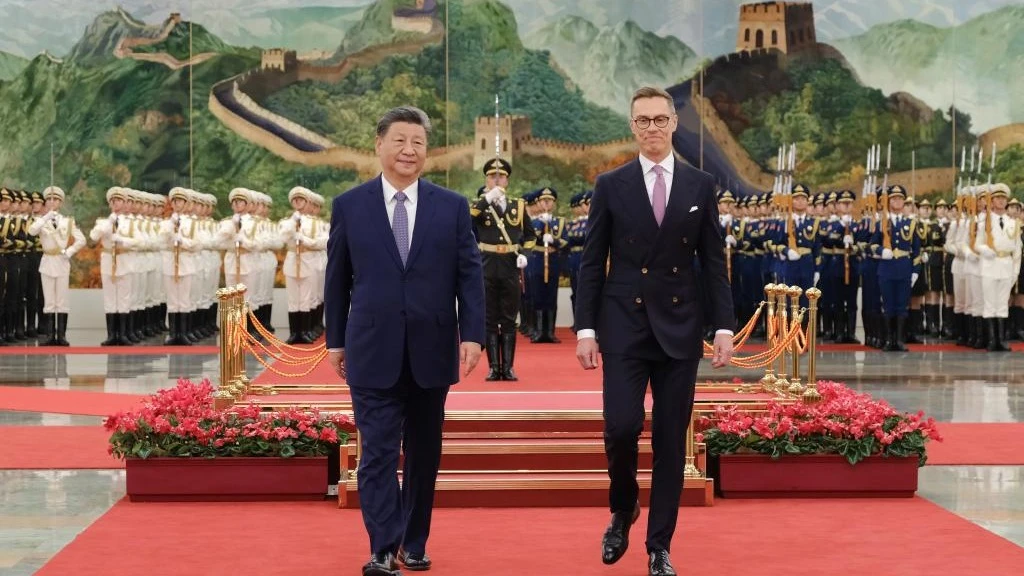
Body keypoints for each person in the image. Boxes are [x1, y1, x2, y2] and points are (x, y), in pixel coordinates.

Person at [574, 86, 734, 576]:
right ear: (632, 126)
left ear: (672, 124)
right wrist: (584, 328)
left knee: (669, 438)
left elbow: (712, 262)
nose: (651, 128)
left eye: (659, 119)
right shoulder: (611, 184)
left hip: (680, 327)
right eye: (641, 120)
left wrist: (724, 324)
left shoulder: (700, 184)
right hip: (623, 324)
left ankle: (659, 545)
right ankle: (623, 509)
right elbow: (590, 261)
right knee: (621, 428)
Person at [324, 106, 485, 576]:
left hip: (431, 349)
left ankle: (413, 543)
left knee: (423, 454)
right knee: (375, 451)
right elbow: (337, 279)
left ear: (426, 151)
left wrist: (472, 334)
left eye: (417, 142)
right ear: (379, 145)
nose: (408, 150)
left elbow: (468, 275)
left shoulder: (451, 206)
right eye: (399, 140)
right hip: (371, 347)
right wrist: (335, 340)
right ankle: (382, 546)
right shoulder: (350, 206)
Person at [470, 157, 535, 381]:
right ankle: (493, 367)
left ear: (507, 180)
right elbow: (467, 222)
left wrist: (525, 255)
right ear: (486, 180)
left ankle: (508, 367)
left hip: (509, 265)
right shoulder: (478, 205)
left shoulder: (518, 205)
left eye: (501, 176)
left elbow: (530, 235)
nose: (496, 179)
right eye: (492, 176)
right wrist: (486, 200)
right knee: (489, 318)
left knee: (508, 318)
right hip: (486, 265)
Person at [27, 186, 86, 346]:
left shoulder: (68, 221)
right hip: (47, 261)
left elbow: (81, 239)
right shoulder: (41, 221)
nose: (52, 202)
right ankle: (49, 335)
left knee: (62, 300)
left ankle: (61, 335)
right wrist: (45, 218)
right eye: (49, 199)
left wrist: (70, 251)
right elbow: (32, 231)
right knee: (49, 301)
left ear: (60, 202)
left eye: (56, 199)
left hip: (61, 261)